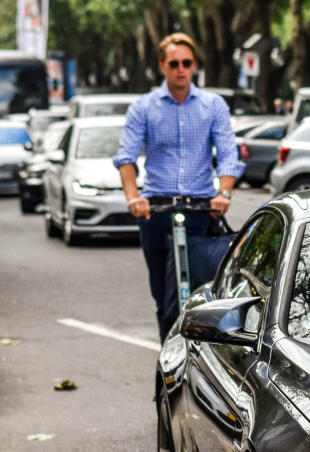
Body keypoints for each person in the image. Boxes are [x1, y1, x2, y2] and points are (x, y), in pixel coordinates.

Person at [115, 32, 245, 341]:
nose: (180, 69)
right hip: (156, 211)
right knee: (164, 299)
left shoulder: (213, 105)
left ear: (194, 65)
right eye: (174, 63)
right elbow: (126, 158)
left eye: (186, 62)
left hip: (201, 210)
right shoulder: (143, 107)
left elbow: (228, 153)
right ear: (162, 65)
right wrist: (134, 198)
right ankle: (169, 361)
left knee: (197, 297)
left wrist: (223, 193)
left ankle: (199, 360)